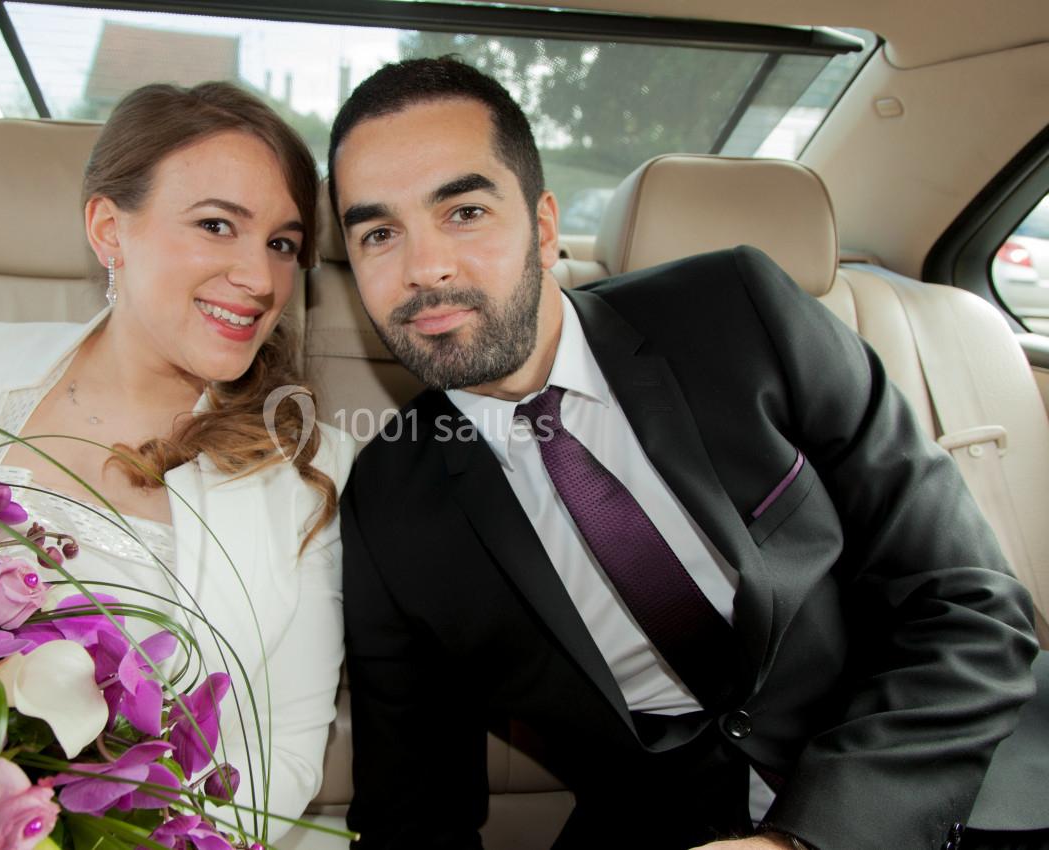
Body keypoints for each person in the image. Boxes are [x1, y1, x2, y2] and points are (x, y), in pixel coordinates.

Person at [329, 57, 1047, 850]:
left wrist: (807, 839)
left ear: (542, 227)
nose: (425, 269)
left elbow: (968, 601)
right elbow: (413, 808)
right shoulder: (386, 502)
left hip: (937, 773)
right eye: (379, 233)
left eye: (465, 212)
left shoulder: (740, 315)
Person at [0, 82, 353, 842]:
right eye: (217, 225)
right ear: (109, 229)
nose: (260, 278)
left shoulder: (309, 469)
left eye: (282, 243)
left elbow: (280, 752)